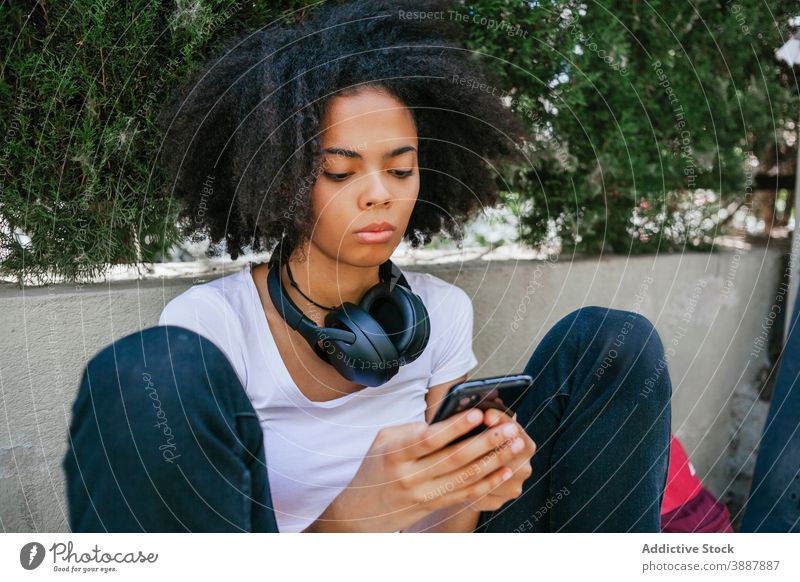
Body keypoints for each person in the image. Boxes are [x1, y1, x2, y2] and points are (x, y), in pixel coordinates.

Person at [63, 0, 672, 533]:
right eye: (340, 171)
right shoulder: (211, 327)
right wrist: (361, 511)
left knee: (613, 342)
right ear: (282, 178)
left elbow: (443, 545)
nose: (380, 194)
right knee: (151, 371)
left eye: (401, 170)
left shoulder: (440, 313)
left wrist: (469, 486)